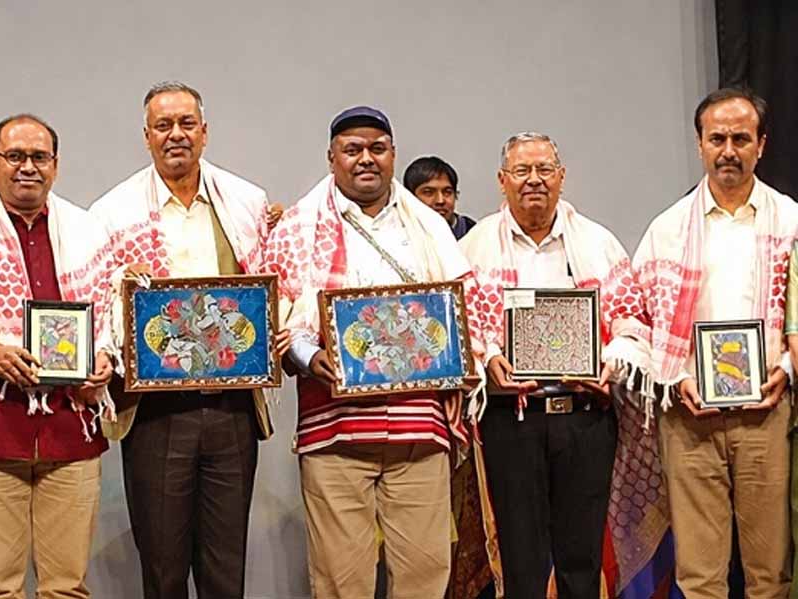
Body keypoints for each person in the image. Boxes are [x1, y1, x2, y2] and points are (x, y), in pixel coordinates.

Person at [265, 106, 478, 599]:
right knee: (341, 582)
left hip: (418, 429)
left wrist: (457, 365)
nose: (366, 159)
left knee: (425, 576)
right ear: (332, 158)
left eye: (377, 149)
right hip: (334, 429)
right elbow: (279, 311)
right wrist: (307, 355)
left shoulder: (428, 228)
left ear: (393, 155)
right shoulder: (298, 227)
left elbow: (461, 308)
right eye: (353, 149)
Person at [90, 81, 279, 599]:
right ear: (146, 136)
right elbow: (100, 300)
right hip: (155, 412)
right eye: (163, 125)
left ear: (204, 131)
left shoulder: (246, 202)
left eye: (186, 123)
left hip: (233, 407)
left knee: (226, 568)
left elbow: (269, 284)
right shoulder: (111, 213)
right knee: (163, 569)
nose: (176, 134)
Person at [0, 114, 116, 599]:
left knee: (66, 586)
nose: (27, 167)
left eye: (39, 157)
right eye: (14, 156)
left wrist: (104, 357)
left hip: (72, 428)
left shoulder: (87, 230)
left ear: (55, 165)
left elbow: (111, 314)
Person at [458, 131, 652, 598]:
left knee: (581, 561)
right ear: (502, 180)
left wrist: (611, 364)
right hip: (511, 420)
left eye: (544, 169)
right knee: (520, 560)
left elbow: (632, 322)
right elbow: (459, 326)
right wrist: (489, 359)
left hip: (585, 419)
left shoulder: (597, 243)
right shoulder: (473, 248)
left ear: (562, 177)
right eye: (522, 171)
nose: (534, 180)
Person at [633, 87, 795, 597]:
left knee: (770, 572)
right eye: (717, 138)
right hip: (689, 415)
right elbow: (637, 320)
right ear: (700, 144)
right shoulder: (667, 229)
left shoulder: (791, 221)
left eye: (740, 139)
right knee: (700, 574)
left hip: (767, 412)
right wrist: (676, 376)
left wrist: (788, 370)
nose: (728, 150)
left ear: (761, 145)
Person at [403, 156, 476, 239]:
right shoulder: (397, 233)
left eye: (447, 192)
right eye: (428, 192)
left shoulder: (474, 234)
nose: (440, 201)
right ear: (409, 197)